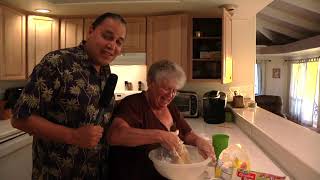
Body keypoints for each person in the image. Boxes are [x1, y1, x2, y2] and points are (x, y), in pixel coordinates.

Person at [11, 12, 126, 179]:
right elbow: (20, 118)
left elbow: (93, 112)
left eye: (118, 42)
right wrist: (74, 136)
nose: (112, 45)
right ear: (91, 31)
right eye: (107, 36)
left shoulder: (105, 71)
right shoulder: (57, 63)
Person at [107, 60, 216, 180]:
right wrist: (160, 135)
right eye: (166, 88)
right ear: (150, 82)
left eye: (175, 90)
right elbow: (115, 135)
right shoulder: (133, 103)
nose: (170, 95)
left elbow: (187, 133)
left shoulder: (170, 107)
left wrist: (199, 141)